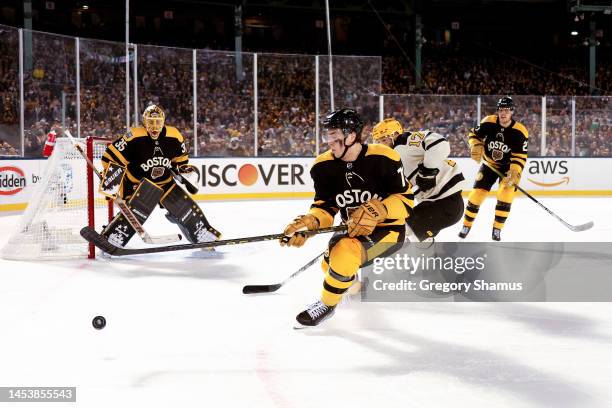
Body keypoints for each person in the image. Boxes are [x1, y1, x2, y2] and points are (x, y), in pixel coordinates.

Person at [280, 108, 414, 327]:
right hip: (352, 229)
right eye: (327, 136)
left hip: (388, 231)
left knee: (343, 254)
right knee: (329, 266)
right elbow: (325, 208)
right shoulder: (322, 167)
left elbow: (406, 201)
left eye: (334, 137)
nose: (329, 142)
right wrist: (311, 223)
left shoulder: (384, 157)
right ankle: (357, 288)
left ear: (351, 136)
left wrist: (378, 210)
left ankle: (327, 304)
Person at [100, 104, 221, 247]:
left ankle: (201, 233)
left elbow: (180, 161)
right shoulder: (134, 136)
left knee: (184, 207)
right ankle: (115, 236)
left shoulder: (174, 135)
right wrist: (111, 178)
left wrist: (185, 173)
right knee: (134, 214)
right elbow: (110, 158)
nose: (154, 126)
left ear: (163, 122)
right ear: (144, 122)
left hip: (165, 182)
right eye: (150, 122)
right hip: (137, 184)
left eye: (158, 122)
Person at [371, 118, 466, 242]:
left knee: (404, 233)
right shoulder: (389, 161)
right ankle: (431, 259)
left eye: (384, 140)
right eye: (378, 141)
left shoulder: (404, 141)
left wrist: (428, 172)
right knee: (408, 233)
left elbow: (440, 143)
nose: (381, 145)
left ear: (395, 134)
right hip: (433, 204)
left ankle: (423, 259)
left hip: (447, 203)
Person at [459, 96, 529, 241]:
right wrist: (476, 145)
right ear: (498, 111)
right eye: (501, 110)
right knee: (477, 194)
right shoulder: (488, 121)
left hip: (507, 169)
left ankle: (497, 229)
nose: (503, 113)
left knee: (506, 194)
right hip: (489, 165)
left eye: (507, 110)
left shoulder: (520, 131)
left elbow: (520, 156)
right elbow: (473, 134)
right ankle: (466, 225)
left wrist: (515, 172)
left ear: (512, 112)